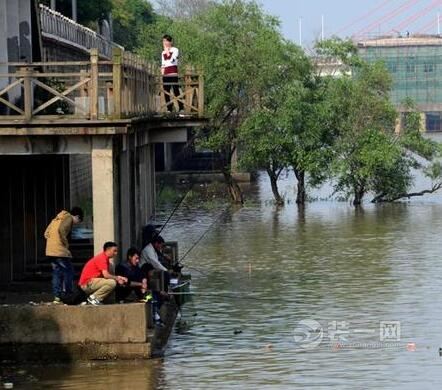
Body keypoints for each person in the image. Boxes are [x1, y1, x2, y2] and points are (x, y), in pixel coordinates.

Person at [44, 206, 84, 304]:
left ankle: (57, 297)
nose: (75, 224)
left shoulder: (56, 219)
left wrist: (52, 242)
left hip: (50, 251)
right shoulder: (69, 217)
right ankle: (68, 293)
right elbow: (61, 230)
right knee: (69, 271)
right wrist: (65, 244)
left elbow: (46, 233)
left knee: (56, 273)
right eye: (78, 221)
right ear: (77, 216)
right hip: (59, 251)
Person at [161, 34, 184, 112]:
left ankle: (181, 108)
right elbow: (163, 64)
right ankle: (169, 108)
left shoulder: (175, 50)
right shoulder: (163, 52)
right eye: (163, 41)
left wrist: (167, 50)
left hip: (173, 72)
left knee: (175, 90)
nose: (164, 43)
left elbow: (172, 60)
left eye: (166, 41)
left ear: (170, 42)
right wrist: (162, 74)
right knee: (166, 92)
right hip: (166, 73)